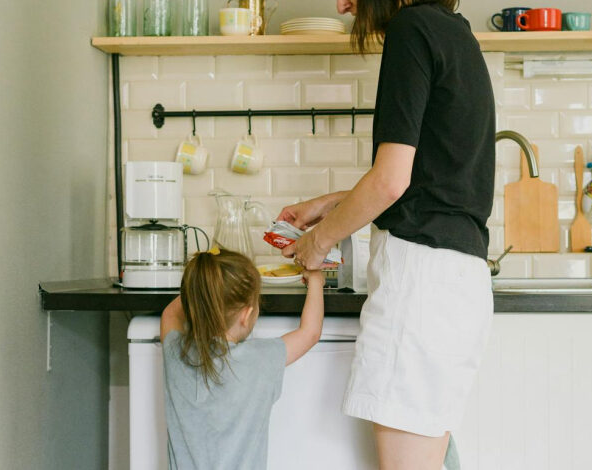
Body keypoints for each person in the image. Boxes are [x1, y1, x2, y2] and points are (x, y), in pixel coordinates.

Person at [277, 0, 495, 468]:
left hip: (421, 284)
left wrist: (318, 242)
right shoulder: (456, 34)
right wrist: (328, 205)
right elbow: (426, 184)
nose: (342, 5)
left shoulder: (411, 28)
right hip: (456, 284)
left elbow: (391, 181)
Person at [160, 247, 325, 470]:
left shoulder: (175, 353)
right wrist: (316, 282)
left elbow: (170, 313)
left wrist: (202, 288)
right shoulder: (261, 359)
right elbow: (310, 333)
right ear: (247, 315)